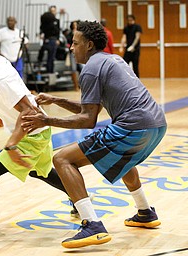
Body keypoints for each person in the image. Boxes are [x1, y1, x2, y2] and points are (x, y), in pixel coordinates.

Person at [21, 20, 167, 249]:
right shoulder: (112, 59)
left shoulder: (90, 69)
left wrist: (46, 120)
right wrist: (57, 100)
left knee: (62, 159)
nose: (70, 47)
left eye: (75, 42)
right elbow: (91, 108)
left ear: (88, 45)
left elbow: (88, 120)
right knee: (124, 159)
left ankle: (92, 224)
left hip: (133, 126)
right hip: (157, 124)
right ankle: (145, 211)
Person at [0, 26, 77, 234]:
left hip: (32, 132)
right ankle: (78, 196)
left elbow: (28, 112)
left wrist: (12, 144)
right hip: (34, 128)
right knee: (42, 172)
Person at [38, 5, 60, 74]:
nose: (53, 12)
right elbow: (42, 28)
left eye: (54, 11)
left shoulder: (57, 21)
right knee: (42, 51)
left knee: (51, 57)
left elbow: (58, 31)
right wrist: (41, 34)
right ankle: (40, 63)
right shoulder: (45, 19)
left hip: (53, 39)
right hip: (47, 38)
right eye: (51, 11)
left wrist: (58, 39)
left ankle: (50, 71)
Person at [64, 20, 82, 91]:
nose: (75, 26)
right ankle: (76, 86)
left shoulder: (80, 34)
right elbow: (68, 43)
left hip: (80, 52)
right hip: (72, 53)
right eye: (74, 25)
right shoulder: (69, 34)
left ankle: (81, 85)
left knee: (82, 68)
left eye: (76, 25)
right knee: (73, 69)